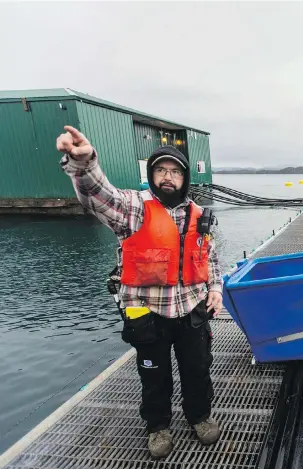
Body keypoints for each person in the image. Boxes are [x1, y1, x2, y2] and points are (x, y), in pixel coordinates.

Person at [56, 125, 223, 460]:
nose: (168, 177)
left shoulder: (200, 215)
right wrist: (85, 164)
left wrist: (216, 288)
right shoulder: (134, 207)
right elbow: (100, 197)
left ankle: (200, 417)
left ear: (185, 179)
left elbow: (210, 257)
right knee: (153, 376)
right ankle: (158, 427)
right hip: (147, 314)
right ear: (151, 174)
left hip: (191, 309)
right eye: (161, 170)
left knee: (197, 370)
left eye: (175, 172)